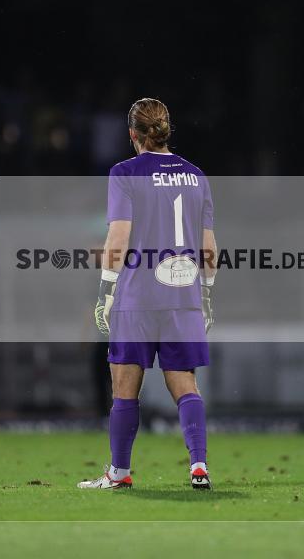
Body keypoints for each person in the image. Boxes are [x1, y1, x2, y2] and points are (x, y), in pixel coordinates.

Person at [78, 98, 216, 490]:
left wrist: (105, 291)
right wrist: (206, 294)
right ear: (166, 129)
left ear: (132, 134)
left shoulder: (124, 173)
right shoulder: (196, 176)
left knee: (124, 388)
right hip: (182, 294)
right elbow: (209, 248)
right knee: (185, 384)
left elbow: (118, 238)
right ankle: (199, 465)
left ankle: (119, 473)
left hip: (137, 296)